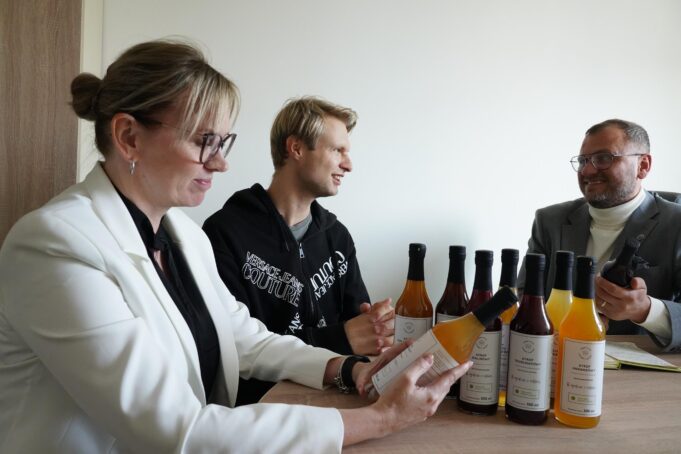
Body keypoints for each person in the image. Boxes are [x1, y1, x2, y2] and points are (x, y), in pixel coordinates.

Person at [0, 39, 471, 452]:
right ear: (129, 137)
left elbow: (246, 338)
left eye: (223, 143)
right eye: (205, 141)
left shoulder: (183, 236)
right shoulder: (55, 245)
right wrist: (379, 420)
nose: (221, 163)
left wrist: (348, 369)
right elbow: (177, 429)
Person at [203, 97, 394, 403]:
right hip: (261, 413)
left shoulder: (337, 238)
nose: (348, 164)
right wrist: (341, 337)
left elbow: (361, 333)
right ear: (296, 149)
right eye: (337, 150)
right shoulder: (224, 234)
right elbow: (234, 349)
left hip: (335, 403)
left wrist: (376, 329)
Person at [519, 119, 681, 352]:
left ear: (643, 165)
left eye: (604, 158)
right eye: (583, 161)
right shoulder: (549, 221)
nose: (587, 171)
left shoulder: (676, 225)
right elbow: (525, 297)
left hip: (639, 369)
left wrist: (645, 310)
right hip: (559, 357)